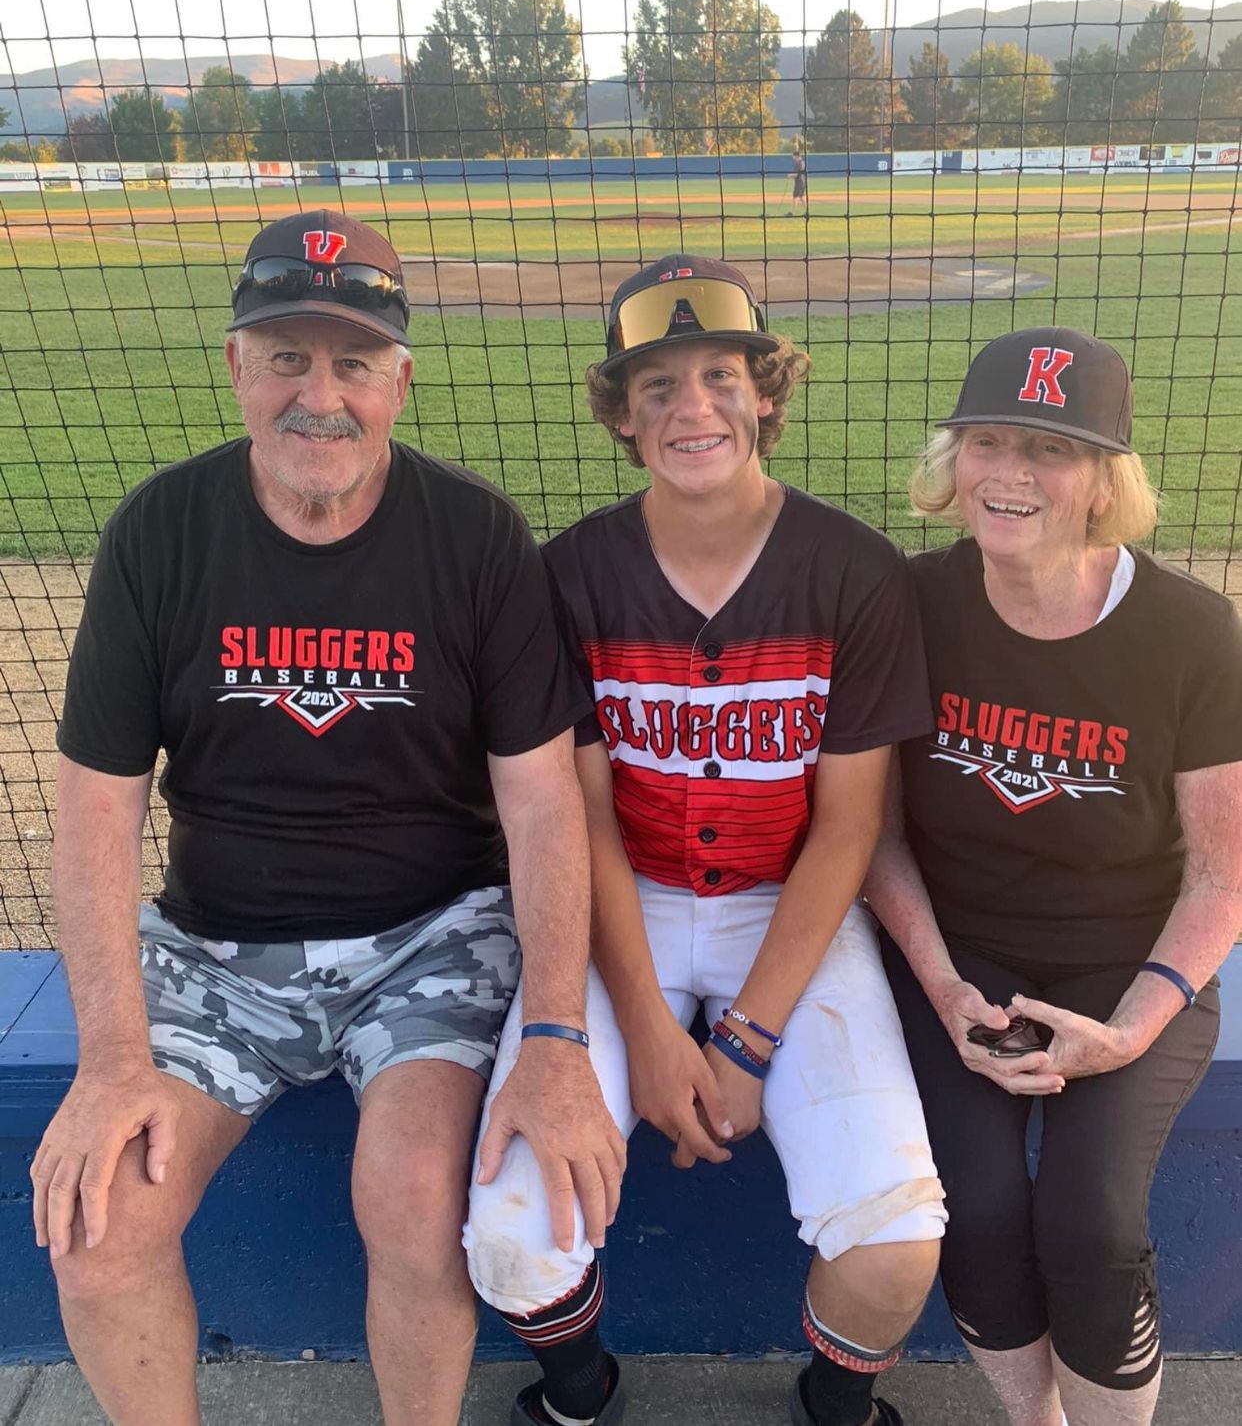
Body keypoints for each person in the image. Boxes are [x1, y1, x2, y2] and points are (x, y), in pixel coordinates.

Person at [31, 208, 623, 1426]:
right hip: (214, 947)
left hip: (430, 935)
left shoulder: (475, 537)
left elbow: (545, 805)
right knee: (97, 1225)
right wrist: (109, 1059)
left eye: (352, 361)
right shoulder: (160, 532)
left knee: (414, 1193)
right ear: (237, 367)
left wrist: (557, 1038)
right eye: (288, 357)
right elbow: (95, 814)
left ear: (398, 381)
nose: (321, 395)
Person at [465, 254, 948, 1426]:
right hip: (614, 898)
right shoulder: (568, 574)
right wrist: (643, 1024)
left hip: (789, 909)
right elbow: (583, 821)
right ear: (622, 417)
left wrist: (744, 1044)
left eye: (722, 375)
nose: (694, 407)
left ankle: (837, 1410)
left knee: (894, 1245)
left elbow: (847, 832)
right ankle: (579, 1395)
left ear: (767, 393)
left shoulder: (856, 570)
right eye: (658, 385)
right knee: (514, 1238)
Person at [865, 327, 1242, 1426]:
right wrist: (942, 988)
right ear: (954, 459)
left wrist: (1127, 1028)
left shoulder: (1190, 630)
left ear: (1104, 479)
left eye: (1051, 449)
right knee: (974, 1210)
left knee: (1089, 1221)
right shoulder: (913, 602)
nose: (1012, 474)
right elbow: (878, 839)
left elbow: (1222, 874)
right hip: (959, 956)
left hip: (1129, 962)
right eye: (988, 441)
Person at [789, 148, 809, 216]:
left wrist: (790, 176)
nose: (793, 157)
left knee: (795, 196)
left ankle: (792, 212)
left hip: (799, 182)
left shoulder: (799, 163)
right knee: (801, 197)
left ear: (796, 155)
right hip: (801, 182)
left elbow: (796, 174)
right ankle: (807, 211)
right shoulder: (802, 162)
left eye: (793, 156)